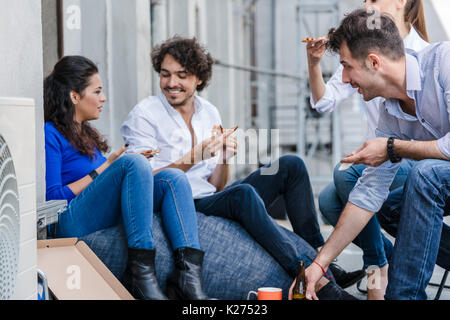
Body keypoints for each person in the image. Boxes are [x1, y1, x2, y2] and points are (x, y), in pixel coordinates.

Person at [121, 36, 362, 299]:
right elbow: (140, 182)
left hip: (208, 196)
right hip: (180, 202)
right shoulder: (145, 114)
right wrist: (195, 155)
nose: (171, 83)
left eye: (182, 75)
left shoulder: (208, 112)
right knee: (243, 195)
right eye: (165, 75)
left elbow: (216, 185)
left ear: (199, 79)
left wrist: (224, 158)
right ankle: (304, 273)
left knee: (291, 165)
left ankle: (320, 258)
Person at [303, 9, 449, 300]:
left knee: (425, 175)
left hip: (435, 177)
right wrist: (320, 263)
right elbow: (369, 192)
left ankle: (402, 296)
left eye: (346, 66)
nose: (343, 79)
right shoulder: (390, 112)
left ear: (373, 62)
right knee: (386, 204)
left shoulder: (443, 63)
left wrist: (393, 148)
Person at [44, 55, 213, 300]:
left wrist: (125, 166)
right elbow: (53, 199)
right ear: (75, 96)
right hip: (69, 220)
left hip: (98, 213)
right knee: (132, 162)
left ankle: (188, 277)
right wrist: (106, 167)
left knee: (173, 177)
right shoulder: (51, 133)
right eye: (97, 91)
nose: (103, 98)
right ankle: (141, 273)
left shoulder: (86, 134)